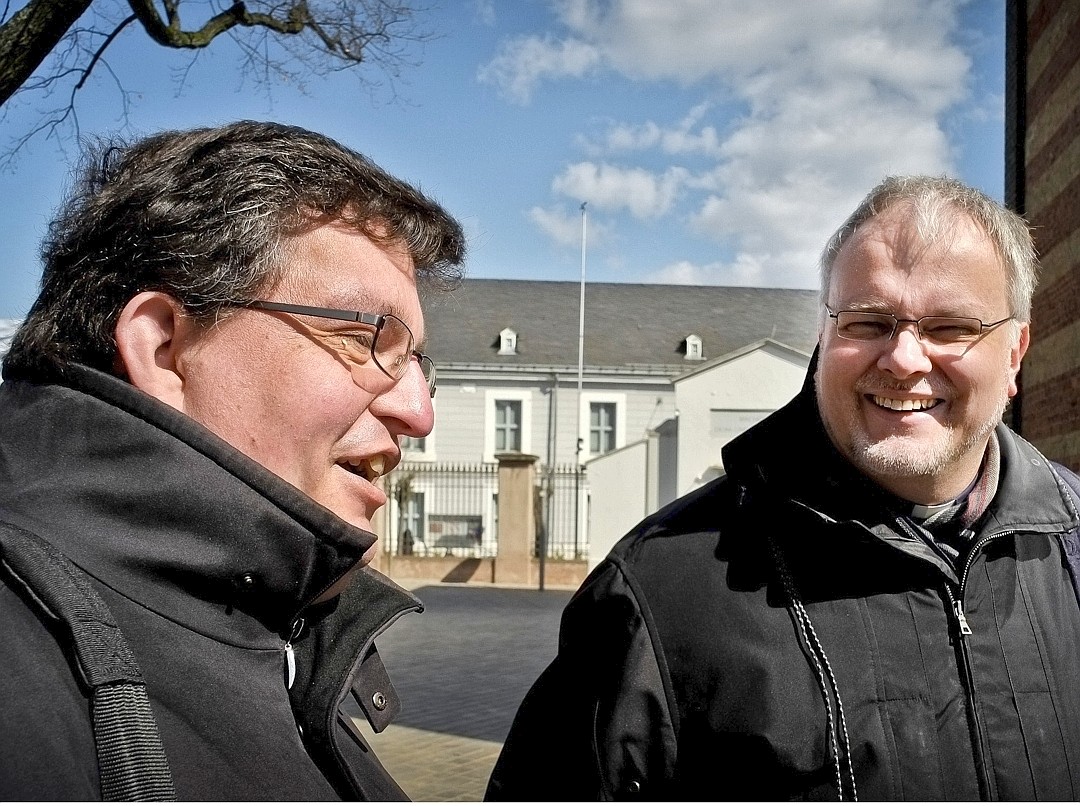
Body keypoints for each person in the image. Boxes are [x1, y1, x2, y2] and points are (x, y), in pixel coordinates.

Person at [485, 175, 1080, 801]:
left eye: (950, 327)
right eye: (868, 321)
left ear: (1015, 353)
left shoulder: (1073, 546)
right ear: (824, 339)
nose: (904, 358)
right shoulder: (658, 589)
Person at [0, 120, 466, 800]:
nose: (418, 413)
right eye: (363, 337)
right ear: (164, 349)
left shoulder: (288, 643)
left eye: (417, 363)